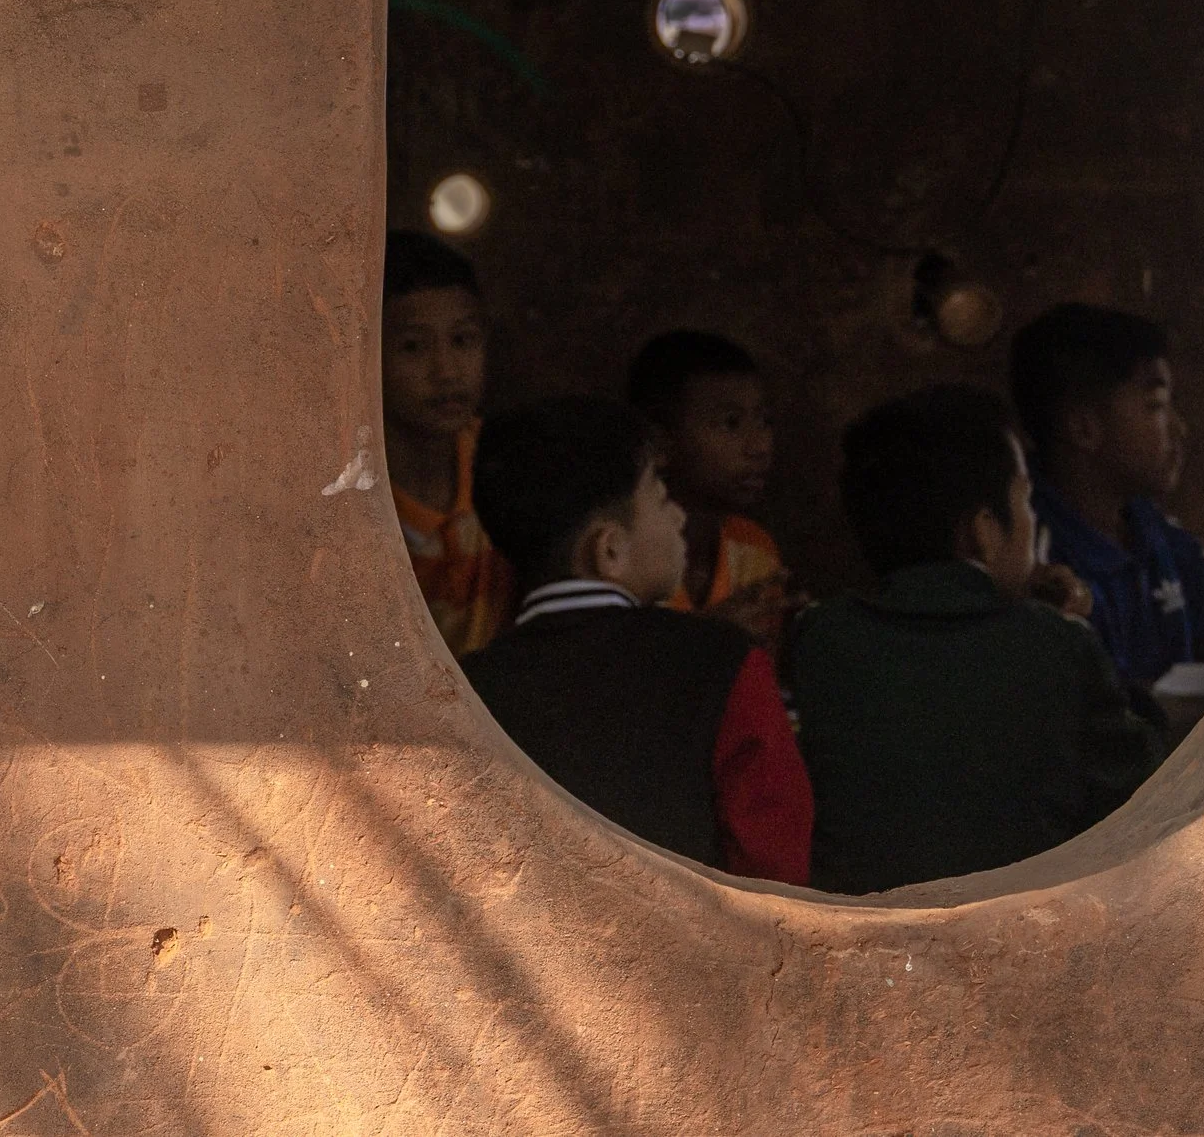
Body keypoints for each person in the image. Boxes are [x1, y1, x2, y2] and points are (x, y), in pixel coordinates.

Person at [789, 385, 1164, 894]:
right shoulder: (1059, 648)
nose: (1034, 523)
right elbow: (1145, 799)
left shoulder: (819, 641)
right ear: (984, 531)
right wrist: (1069, 633)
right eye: (1026, 499)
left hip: (869, 940)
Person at [463, 397, 812, 884]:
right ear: (609, 550)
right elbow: (775, 872)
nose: (679, 519)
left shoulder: (465, 689)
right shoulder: (724, 662)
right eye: (661, 498)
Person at [1009, 303, 1204, 697]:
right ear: (1085, 428)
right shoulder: (1035, 556)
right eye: (1156, 406)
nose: (1180, 428)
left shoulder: (1148, 529)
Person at [380, 229, 513, 654]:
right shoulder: (346, 498)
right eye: (413, 347)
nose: (447, 371)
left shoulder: (510, 467)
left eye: (462, 340)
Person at [625, 330, 787, 638]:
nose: (759, 446)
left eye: (764, 421)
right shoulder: (618, 557)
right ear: (660, 442)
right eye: (730, 423)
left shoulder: (754, 548)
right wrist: (706, 640)